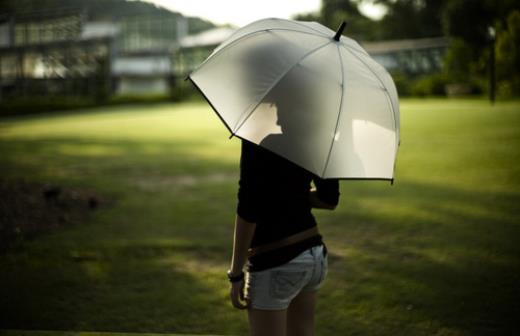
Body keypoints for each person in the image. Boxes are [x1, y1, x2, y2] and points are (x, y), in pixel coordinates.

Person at [227, 133, 340, 335]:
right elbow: (329, 199)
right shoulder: (316, 135)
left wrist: (235, 274)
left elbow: (248, 206)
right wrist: (291, 194)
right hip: (313, 254)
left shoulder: (256, 134)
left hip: (277, 260)